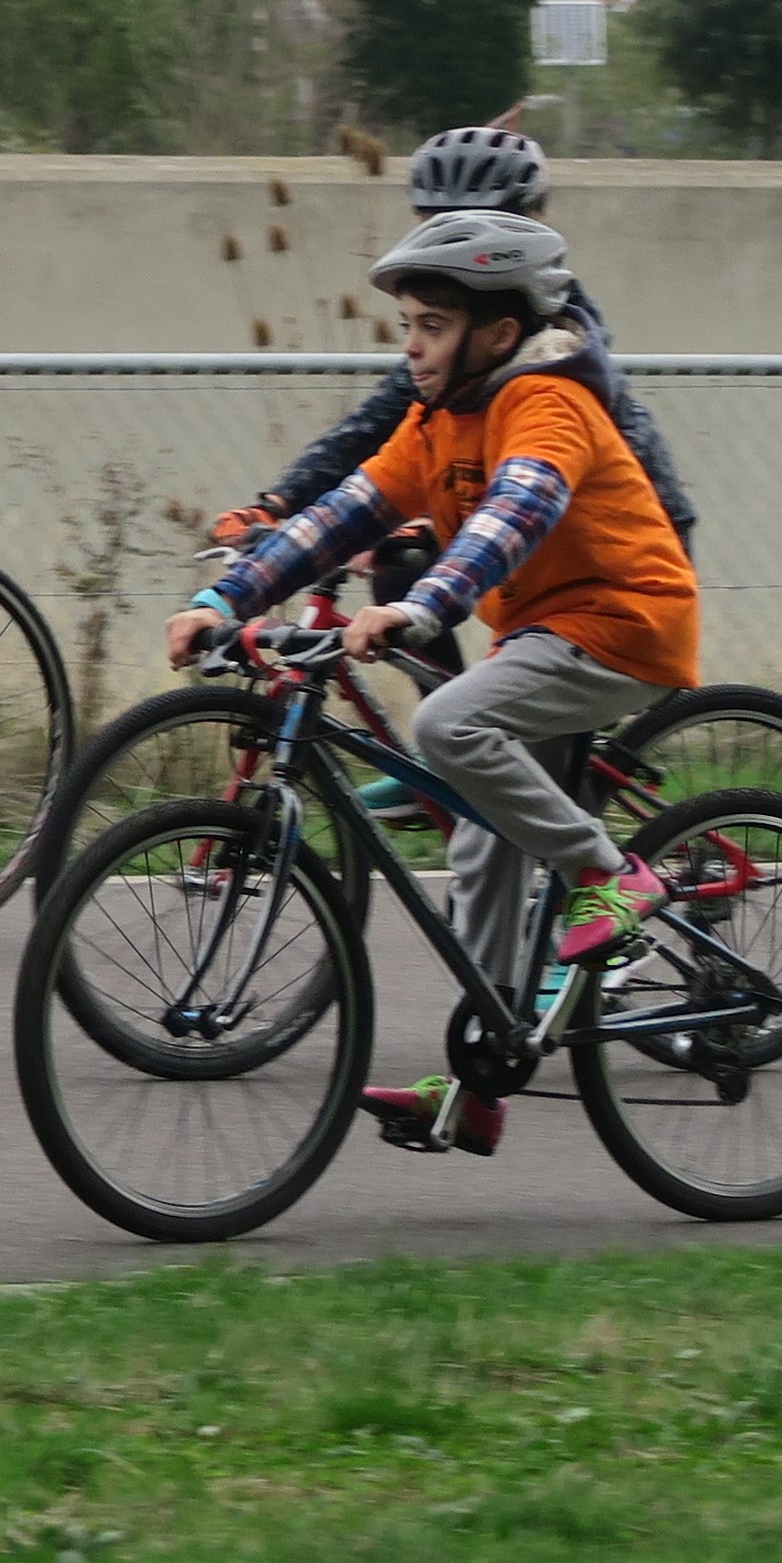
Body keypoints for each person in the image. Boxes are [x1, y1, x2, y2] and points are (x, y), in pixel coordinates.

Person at [166, 209, 701, 1159]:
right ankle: (483, 1080)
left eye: (432, 326)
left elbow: (512, 517)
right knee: (483, 842)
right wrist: (223, 597)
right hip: (541, 635)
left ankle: (609, 876)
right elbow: (341, 514)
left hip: (625, 628)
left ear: (497, 333)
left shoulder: (547, 401)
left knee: (448, 726)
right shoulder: (437, 419)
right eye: (407, 325)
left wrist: (421, 608)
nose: (409, 347)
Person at [213, 119, 696, 551]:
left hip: (633, 540)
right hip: (529, 535)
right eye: (439, 226)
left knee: (407, 565)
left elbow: (542, 465)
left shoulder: (554, 329)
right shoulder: (453, 339)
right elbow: (379, 420)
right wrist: (279, 503)